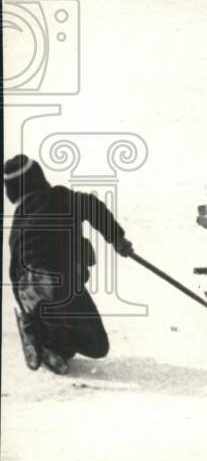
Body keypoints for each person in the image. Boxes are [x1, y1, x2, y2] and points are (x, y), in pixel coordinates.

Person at [4, 155, 134, 375]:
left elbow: (15, 269)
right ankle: (48, 338)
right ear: (39, 178)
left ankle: (42, 333)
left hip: (29, 286)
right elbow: (92, 206)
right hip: (54, 280)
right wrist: (117, 239)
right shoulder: (58, 197)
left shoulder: (19, 220)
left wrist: (25, 309)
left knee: (58, 314)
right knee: (98, 346)